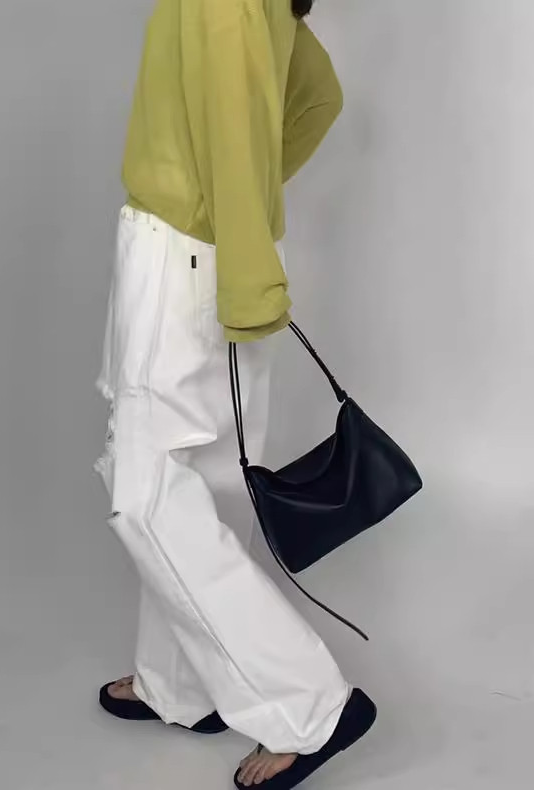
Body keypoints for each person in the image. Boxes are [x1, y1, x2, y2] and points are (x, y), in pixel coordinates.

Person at [92, 1, 376, 787]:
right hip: (215, 253)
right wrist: (242, 236)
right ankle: (181, 685)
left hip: (180, 254)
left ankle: (310, 705)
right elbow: (316, 95)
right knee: (207, 482)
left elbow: (233, 131)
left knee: (147, 493)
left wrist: (244, 267)